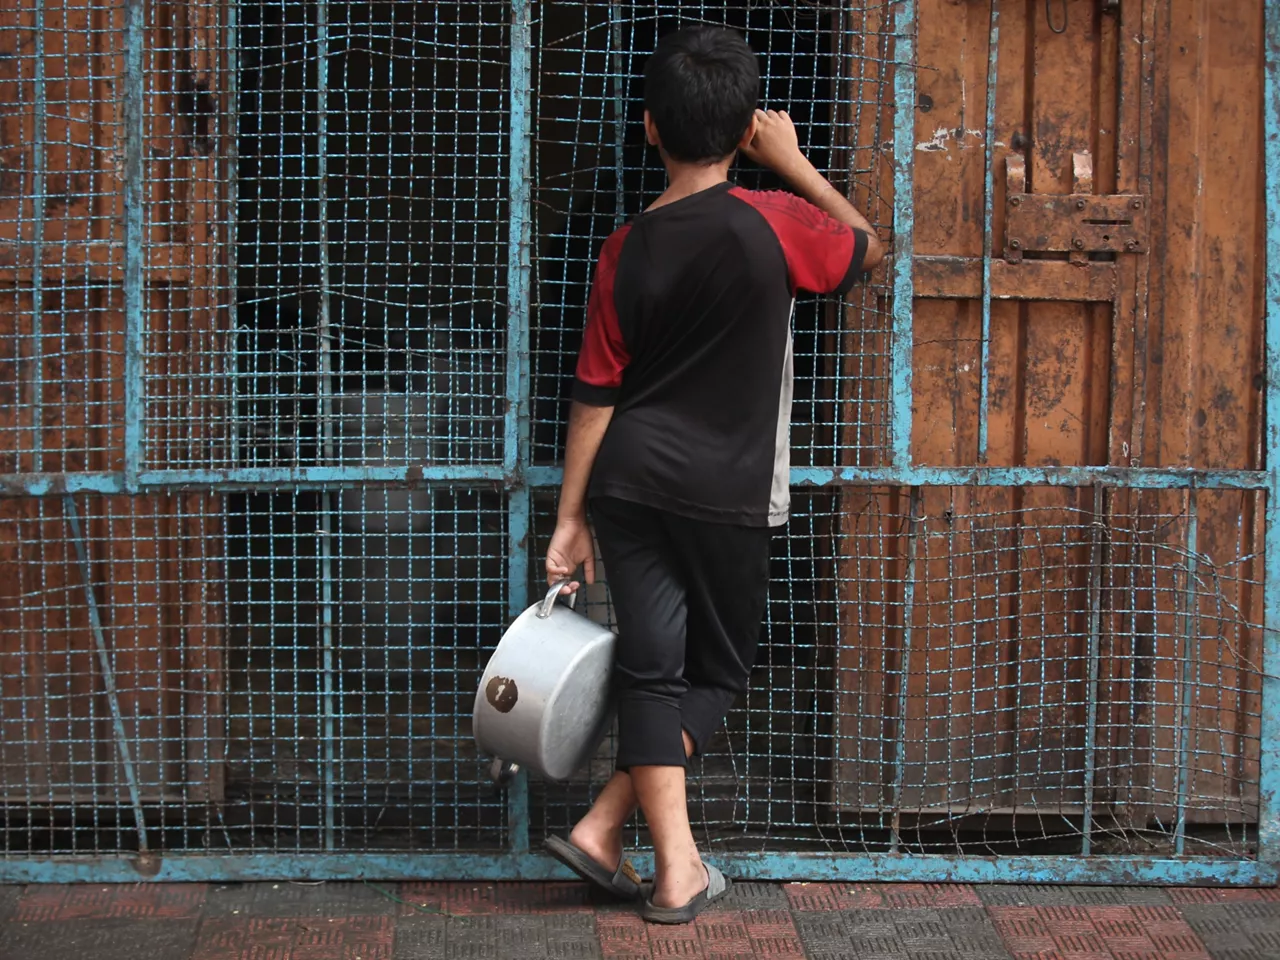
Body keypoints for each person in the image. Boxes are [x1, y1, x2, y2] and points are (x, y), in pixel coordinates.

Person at [542, 24, 885, 924]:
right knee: (721, 671)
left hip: (627, 483)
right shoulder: (776, 222)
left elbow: (593, 397)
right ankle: (674, 868)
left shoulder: (625, 248)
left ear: (648, 128)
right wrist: (795, 162)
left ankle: (607, 832)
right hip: (728, 490)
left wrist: (568, 519)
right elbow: (866, 247)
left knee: (654, 673)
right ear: (744, 134)